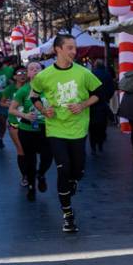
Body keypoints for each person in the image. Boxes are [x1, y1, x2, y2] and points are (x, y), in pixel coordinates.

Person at [29, 35, 103, 232]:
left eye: (74, 48)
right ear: (57, 49)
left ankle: (74, 179)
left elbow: (101, 93)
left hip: (78, 128)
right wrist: (44, 111)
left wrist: (82, 104)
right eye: (69, 48)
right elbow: (34, 97)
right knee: (63, 168)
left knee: (77, 169)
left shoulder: (83, 73)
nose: (74, 52)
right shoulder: (43, 76)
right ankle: (68, 215)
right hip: (56, 128)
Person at [10, 61, 54, 201]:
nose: (34, 70)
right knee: (30, 160)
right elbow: (12, 109)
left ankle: (41, 174)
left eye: (37, 68)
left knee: (48, 157)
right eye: (31, 68)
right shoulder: (24, 90)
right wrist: (25, 115)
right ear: (28, 73)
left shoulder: (50, 89)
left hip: (46, 129)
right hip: (27, 129)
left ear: (43, 71)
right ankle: (31, 187)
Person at [2, 67, 29, 186]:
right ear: (14, 76)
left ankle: (35, 172)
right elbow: (2, 102)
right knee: (21, 149)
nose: (22, 75)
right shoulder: (9, 89)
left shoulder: (32, 87)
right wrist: (8, 104)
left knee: (32, 150)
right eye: (19, 73)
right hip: (15, 123)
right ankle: (25, 176)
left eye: (24, 72)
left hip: (30, 122)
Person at [89, 58, 116, 154]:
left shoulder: (91, 74)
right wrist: (107, 97)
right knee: (102, 126)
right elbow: (111, 88)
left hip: (91, 104)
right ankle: (100, 144)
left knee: (92, 128)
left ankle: (93, 146)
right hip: (103, 103)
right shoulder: (107, 75)